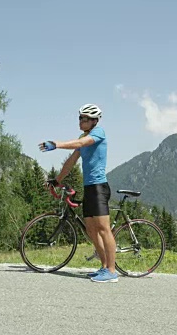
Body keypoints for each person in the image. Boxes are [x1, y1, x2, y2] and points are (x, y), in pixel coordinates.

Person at [38, 103, 117, 283]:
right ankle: (104, 266)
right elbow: (71, 161)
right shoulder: (84, 136)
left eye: (85, 118)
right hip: (89, 187)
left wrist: (56, 144)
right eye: (80, 118)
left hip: (99, 187)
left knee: (104, 229)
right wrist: (57, 180)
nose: (81, 121)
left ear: (94, 121)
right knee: (91, 229)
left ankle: (112, 271)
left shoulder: (98, 133)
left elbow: (82, 143)